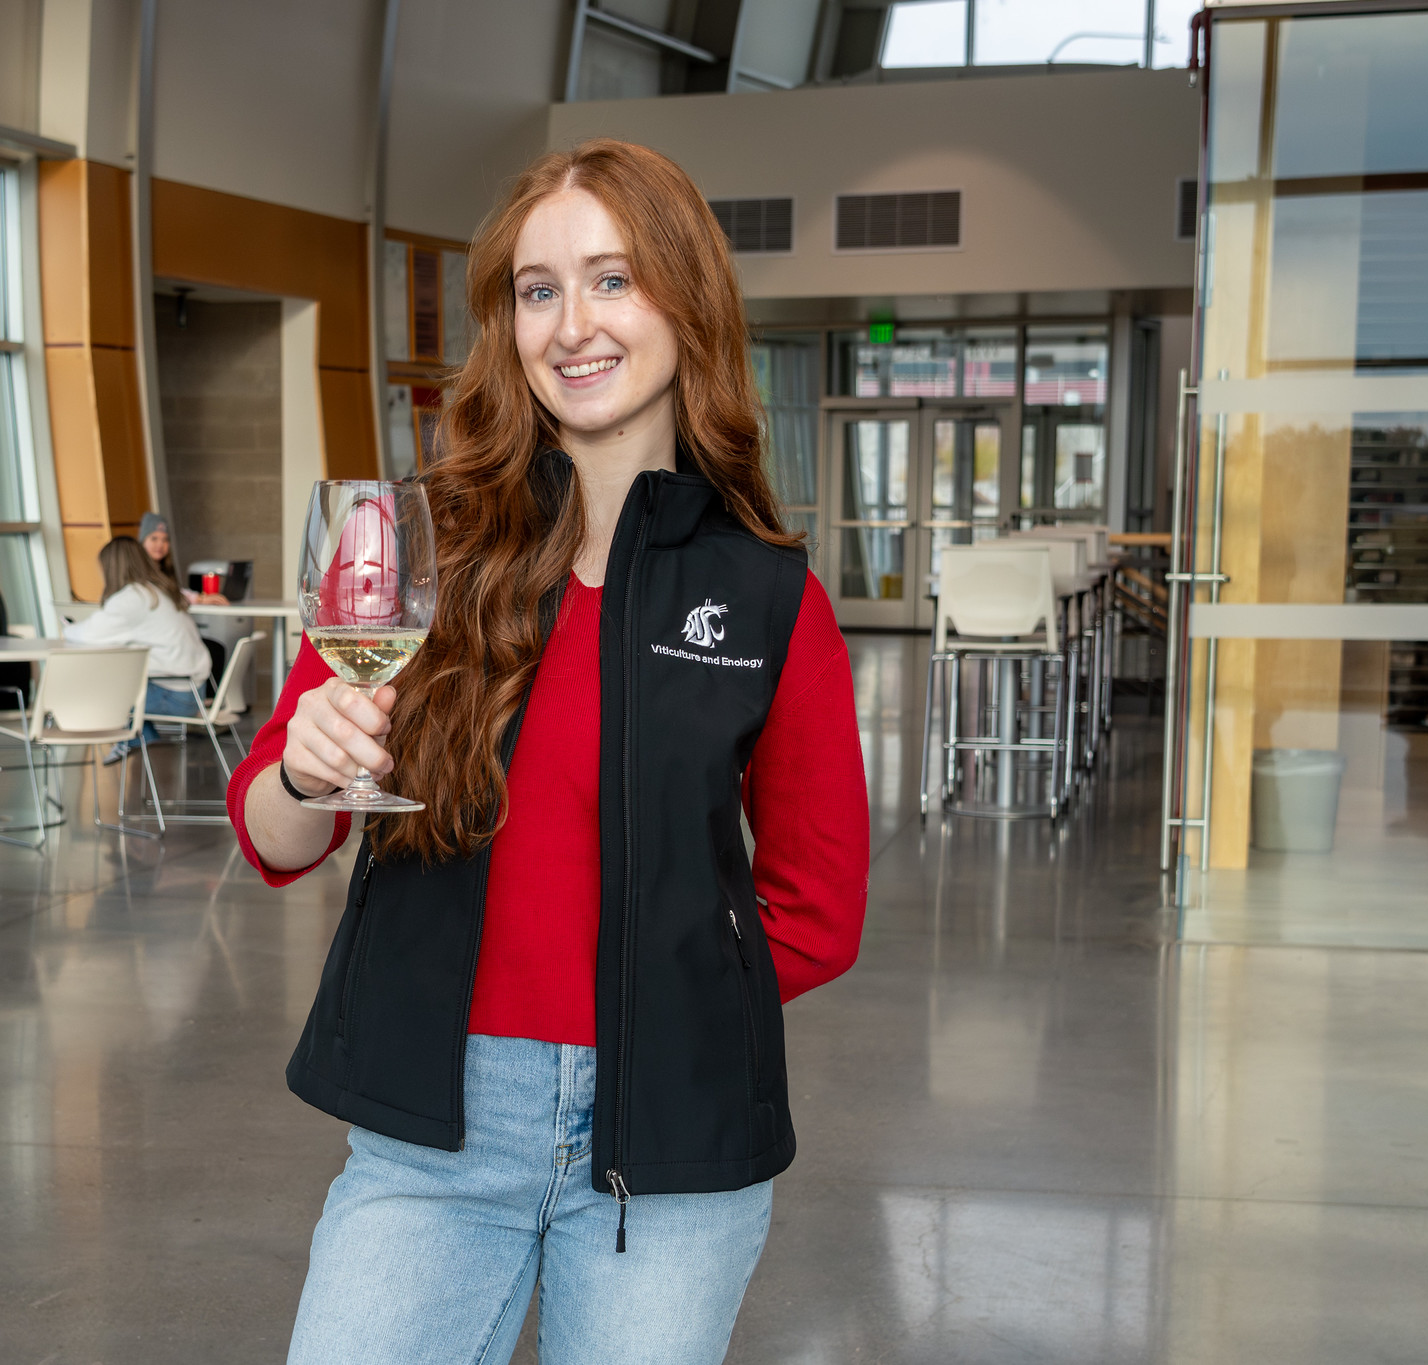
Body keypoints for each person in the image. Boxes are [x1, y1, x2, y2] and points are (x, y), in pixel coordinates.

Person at [226, 139, 870, 1364]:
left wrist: (655, 1005)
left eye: (612, 279)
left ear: (686, 303)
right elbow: (270, 829)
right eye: (537, 289)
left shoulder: (768, 595)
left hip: (667, 1152)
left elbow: (817, 910)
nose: (571, 323)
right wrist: (304, 773)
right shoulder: (409, 544)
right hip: (428, 1138)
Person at [63, 535, 212, 757]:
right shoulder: (158, 590)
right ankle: (143, 739)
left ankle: (135, 739)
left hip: (174, 696)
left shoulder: (132, 597)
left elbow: (90, 633)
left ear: (111, 567)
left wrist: (65, 628)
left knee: (97, 691)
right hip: (193, 689)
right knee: (119, 679)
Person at [138, 511, 229, 606]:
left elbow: (175, 591)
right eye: (154, 538)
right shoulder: (139, 570)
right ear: (142, 541)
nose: (160, 544)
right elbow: (163, 594)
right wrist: (199, 599)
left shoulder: (165, 568)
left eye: (165, 539)